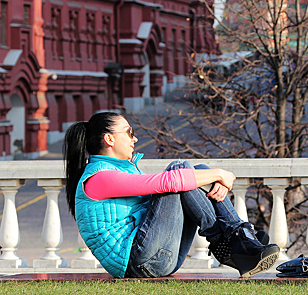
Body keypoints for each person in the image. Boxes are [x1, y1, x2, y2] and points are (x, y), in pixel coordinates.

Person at [63, 112, 280, 278]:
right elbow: (168, 182)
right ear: (109, 139)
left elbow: (179, 184)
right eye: (129, 132)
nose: (134, 138)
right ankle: (234, 241)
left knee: (197, 169)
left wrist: (212, 178)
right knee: (180, 169)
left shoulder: (121, 169)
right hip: (140, 262)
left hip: (157, 256)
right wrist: (221, 174)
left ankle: (235, 241)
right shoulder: (99, 178)